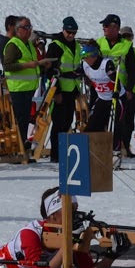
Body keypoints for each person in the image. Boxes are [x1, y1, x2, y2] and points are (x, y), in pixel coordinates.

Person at [96, 15, 135, 157]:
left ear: (115, 28)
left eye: (106, 26)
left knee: (119, 121)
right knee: (99, 119)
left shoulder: (126, 45)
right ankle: (100, 149)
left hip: (119, 90)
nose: (104, 28)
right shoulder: (99, 43)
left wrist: (129, 89)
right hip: (102, 89)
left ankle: (118, 149)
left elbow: (132, 70)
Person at [0, 15, 44, 151]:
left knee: (25, 121)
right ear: (18, 29)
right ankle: (19, 150)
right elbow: (7, 66)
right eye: (26, 27)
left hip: (28, 88)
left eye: (30, 27)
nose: (29, 30)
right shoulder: (13, 44)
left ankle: (23, 149)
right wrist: (27, 65)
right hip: (18, 89)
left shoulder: (29, 44)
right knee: (19, 121)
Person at [44, 16, 84, 160]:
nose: (71, 35)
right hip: (60, 90)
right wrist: (57, 92)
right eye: (68, 32)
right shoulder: (55, 46)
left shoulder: (77, 46)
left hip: (72, 89)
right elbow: (50, 70)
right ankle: (55, 155)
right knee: (58, 123)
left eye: (73, 33)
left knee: (67, 122)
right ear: (63, 30)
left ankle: (62, 152)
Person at [78, 40, 117, 137]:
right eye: (83, 57)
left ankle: (117, 144)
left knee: (115, 126)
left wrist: (117, 92)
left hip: (115, 98)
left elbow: (117, 82)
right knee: (92, 126)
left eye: (87, 57)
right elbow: (77, 73)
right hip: (102, 98)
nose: (85, 59)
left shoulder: (106, 64)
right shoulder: (85, 65)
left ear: (94, 55)